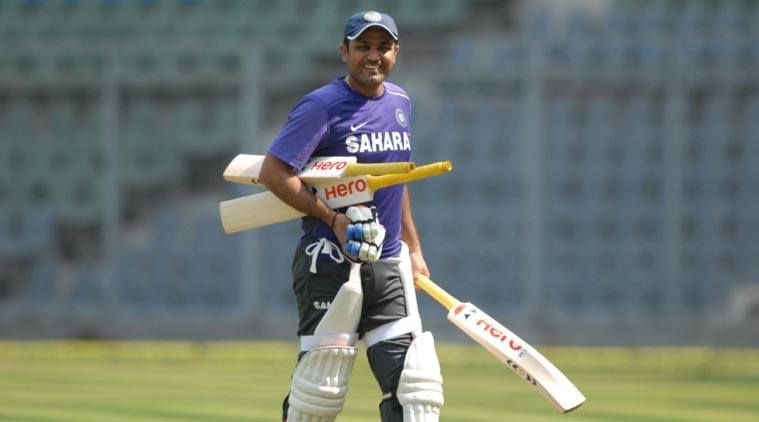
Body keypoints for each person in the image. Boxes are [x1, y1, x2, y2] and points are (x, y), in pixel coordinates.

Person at [256, 10, 444, 422]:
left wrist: (413, 248)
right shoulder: (321, 106)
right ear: (344, 51)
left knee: (415, 391)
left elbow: (396, 180)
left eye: (383, 47)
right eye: (363, 46)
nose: (373, 56)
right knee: (317, 397)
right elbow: (273, 172)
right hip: (329, 264)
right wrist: (332, 219)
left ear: (396, 52)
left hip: (387, 264)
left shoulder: (400, 102)